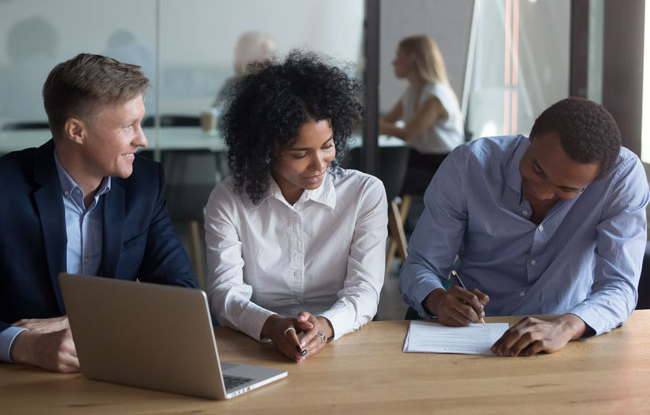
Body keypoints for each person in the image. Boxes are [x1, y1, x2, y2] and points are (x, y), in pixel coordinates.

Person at [400, 97, 649, 357]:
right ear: (530, 136)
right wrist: (439, 300)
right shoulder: (469, 164)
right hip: (468, 334)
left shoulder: (621, 178)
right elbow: (421, 265)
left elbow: (619, 286)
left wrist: (565, 326)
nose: (541, 193)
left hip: (559, 341)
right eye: (538, 170)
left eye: (566, 189)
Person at [0, 53, 198, 373]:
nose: (142, 139)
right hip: (18, 377)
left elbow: (181, 294)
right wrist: (22, 344)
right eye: (127, 126)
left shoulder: (145, 184)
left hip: (114, 366)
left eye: (141, 123)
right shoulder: (5, 188)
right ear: (76, 131)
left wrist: (75, 321)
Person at [205, 51, 387, 362]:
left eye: (327, 146)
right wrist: (272, 325)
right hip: (255, 347)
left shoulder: (364, 193)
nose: (320, 164)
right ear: (266, 150)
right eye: (300, 154)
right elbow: (226, 295)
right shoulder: (229, 200)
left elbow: (364, 292)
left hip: (344, 342)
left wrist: (326, 325)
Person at [379, 35, 465, 195]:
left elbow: (408, 133)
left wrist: (373, 126)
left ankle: (388, 218)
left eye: (398, 56)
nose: (394, 62)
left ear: (412, 58)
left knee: (381, 177)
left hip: (442, 167)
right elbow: (387, 121)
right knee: (377, 170)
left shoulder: (436, 96)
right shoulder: (412, 91)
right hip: (421, 158)